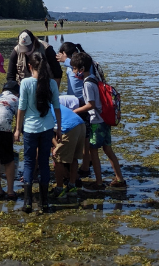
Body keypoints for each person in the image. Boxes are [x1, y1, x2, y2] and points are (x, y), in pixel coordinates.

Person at [70, 52, 126, 191]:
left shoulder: (87, 83)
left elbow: (91, 105)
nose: (73, 72)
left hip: (97, 121)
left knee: (92, 151)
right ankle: (119, 178)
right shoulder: (95, 78)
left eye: (75, 69)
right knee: (108, 149)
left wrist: (75, 111)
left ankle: (99, 182)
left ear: (81, 69)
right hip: (105, 119)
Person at [14, 52, 61, 213]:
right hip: (47, 128)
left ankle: (27, 203)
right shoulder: (52, 84)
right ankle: (44, 203)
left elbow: (21, 108)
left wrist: (17, 129)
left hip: (30, 129)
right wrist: (59, 129)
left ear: (29, 67)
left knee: (28, 163)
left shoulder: (26, 83)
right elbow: (57, 108)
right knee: (44, 163)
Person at [57, 42, 95, 178]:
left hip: (82, 104)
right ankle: (84, 163)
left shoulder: (79, 65)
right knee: (81, 137)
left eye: (63, 54)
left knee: (85, 138)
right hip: (73, 104)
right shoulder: (70, 66)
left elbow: (81, 66)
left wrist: (66, 60)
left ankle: (85, 166)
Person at [50, 99, 85, 199]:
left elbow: (48, 131)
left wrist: (56, 147)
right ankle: (72, 186)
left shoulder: (43, 108)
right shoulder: (54, 104)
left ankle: (59, 189)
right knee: (73, 157)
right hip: (80, 124)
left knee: (58, 158)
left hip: (69, 127)